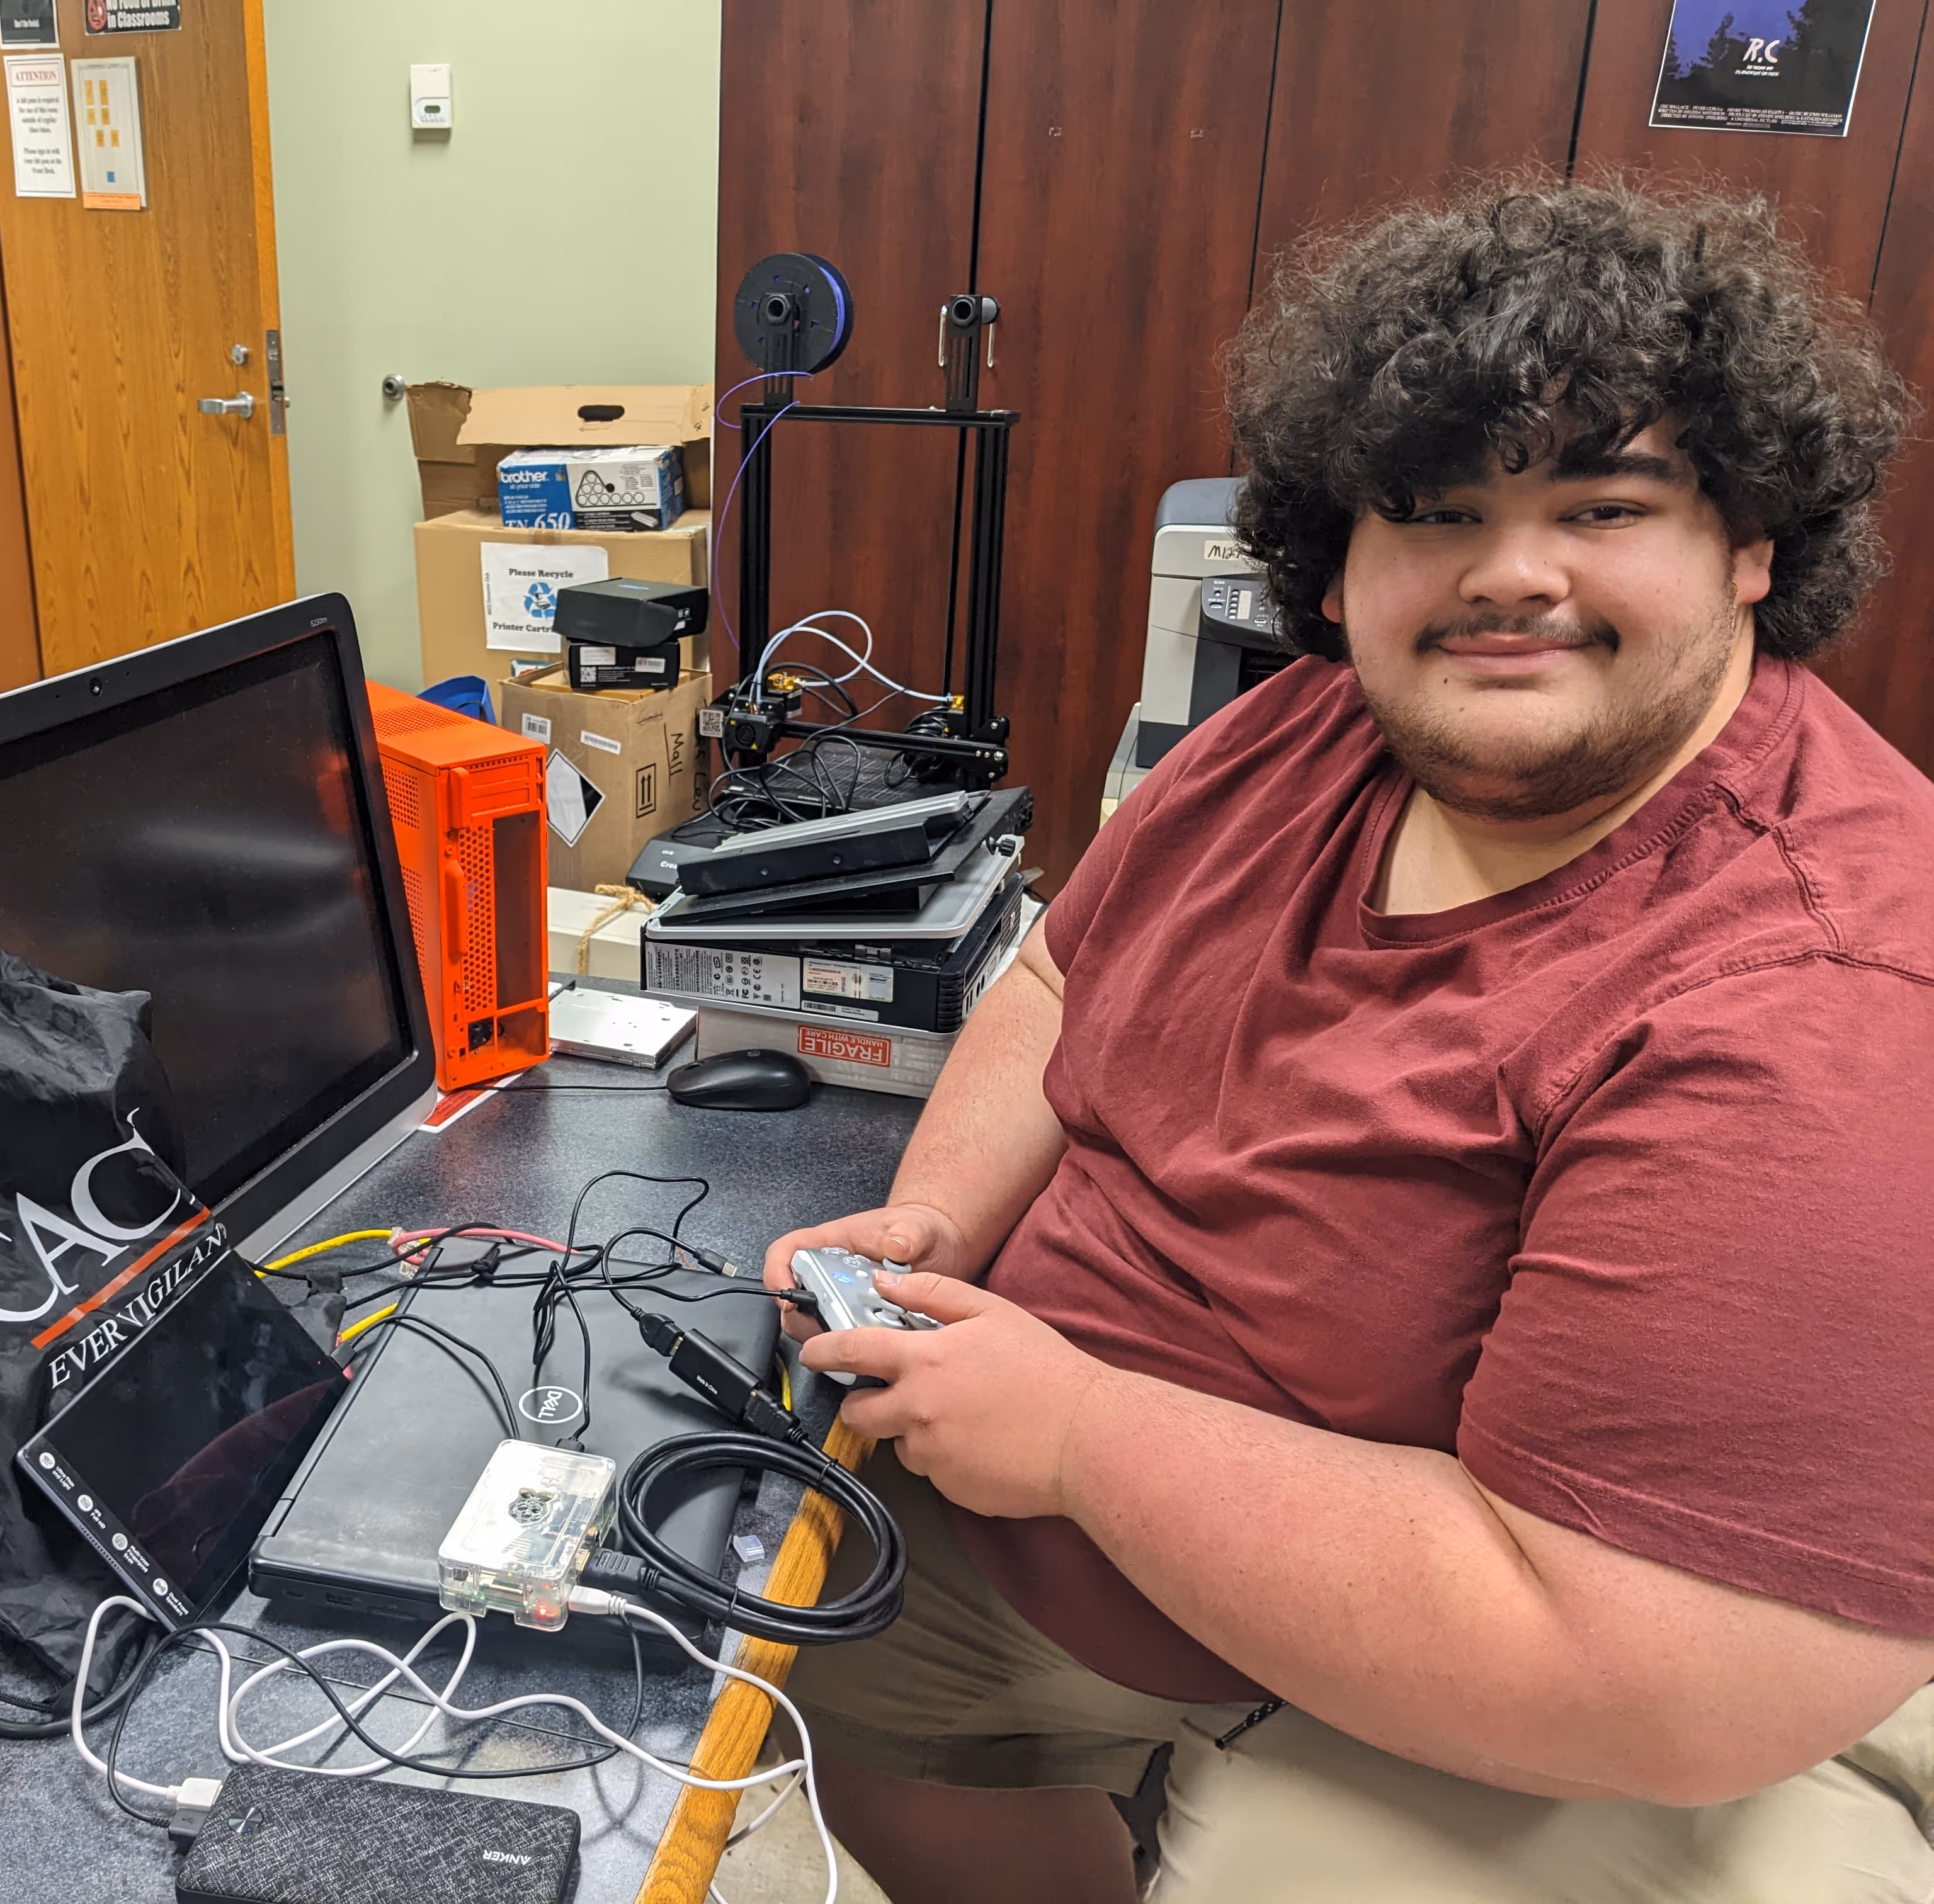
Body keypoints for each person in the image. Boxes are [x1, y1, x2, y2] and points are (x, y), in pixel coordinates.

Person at [765, 176, 1934, 1903]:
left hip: (1465, 1655)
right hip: (1037, 1512)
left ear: (1751, 544)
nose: (1508, 576)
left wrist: (1084, 1439)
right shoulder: (1300, 737)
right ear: (1345, 557)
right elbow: (1061, 986)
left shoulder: (1823, 1006)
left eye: (1605, 507)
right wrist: (941, 1224)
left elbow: (1670, 1683)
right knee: (754, 1669)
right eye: (1436, 513)